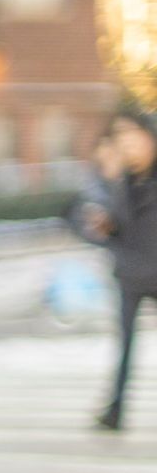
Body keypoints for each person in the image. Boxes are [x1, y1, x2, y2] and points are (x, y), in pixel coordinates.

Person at [91, 108, 157, 430]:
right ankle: (115, 408)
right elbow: (116, 223)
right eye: (122, 140)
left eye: (133, 138)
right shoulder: (125, 180)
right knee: (124, 344)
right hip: (130, 272)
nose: (129, 146)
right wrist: (106, 225)